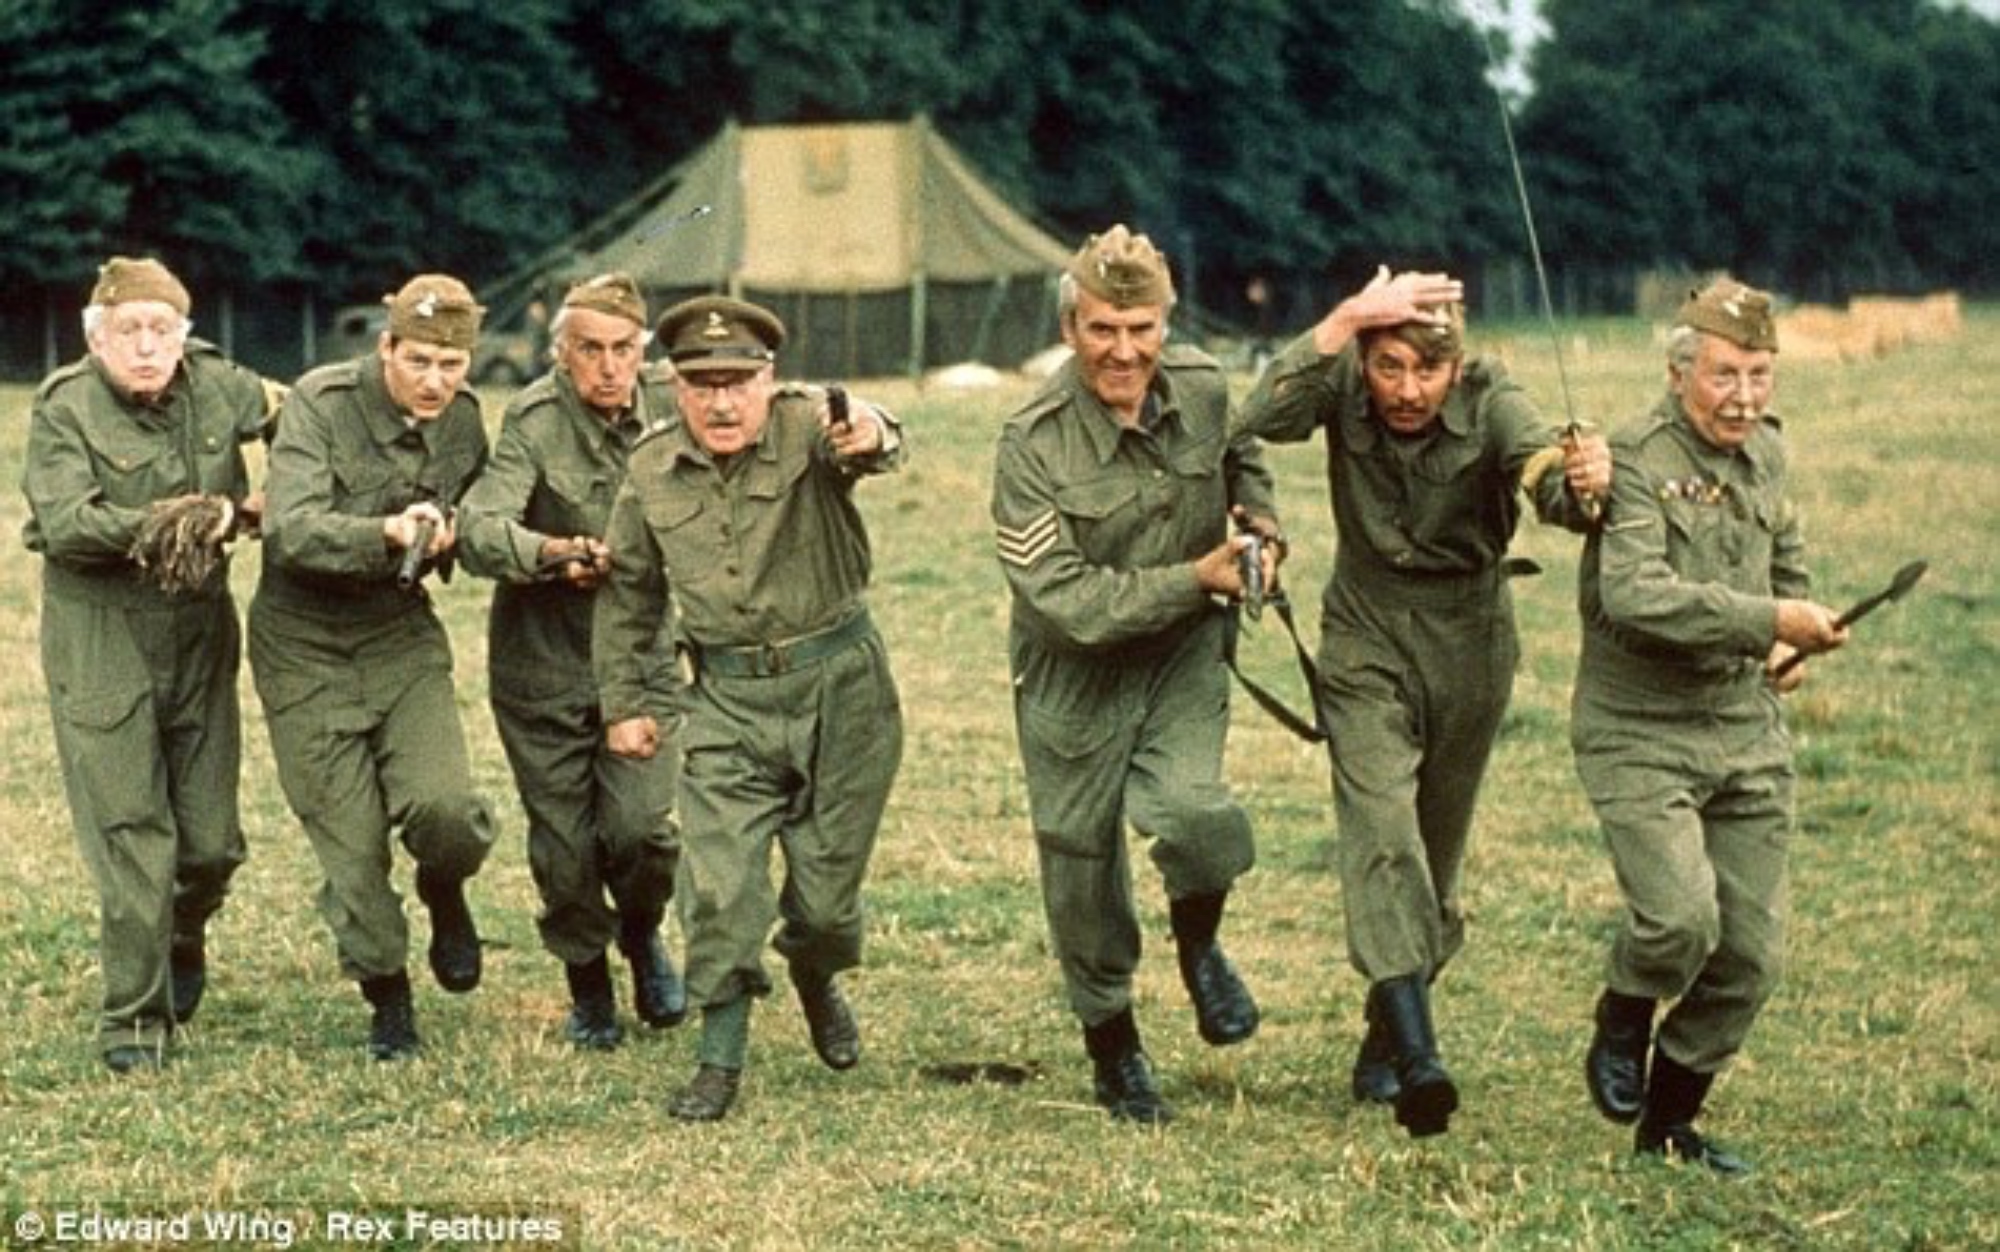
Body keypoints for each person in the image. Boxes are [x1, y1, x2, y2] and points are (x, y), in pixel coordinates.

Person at [1235, 265, 1610, 1137]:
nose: (1407, 391)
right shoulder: (1341, 381)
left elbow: (1545, 476)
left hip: (1469, 643)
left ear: (1457, 364)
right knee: (1382, 831)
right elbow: (1259, 417)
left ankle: (1385, 1031)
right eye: (1389, 366)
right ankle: (1419, 1059)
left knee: (1432, 864)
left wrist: (1583, 479)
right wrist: (1341, 321)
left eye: (1427, 370)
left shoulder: (1493, 398)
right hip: (1364, 633)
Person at [990, 225, 1282, 1126]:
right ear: (1070, 327)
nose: (1124, 351)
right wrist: (1196, 578)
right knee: (1080, 866)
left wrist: (1261, 528)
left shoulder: (1203, 386)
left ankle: (1200, 946)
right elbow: (1066, 603)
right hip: (1072, 672)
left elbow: (1243, 458)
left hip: (1181, 656)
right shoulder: (1030, 441)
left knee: (1196, 816)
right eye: (1103, 330)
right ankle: (1112, 1042)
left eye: (1142, 328)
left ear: (1167, 322)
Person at [594, 295, 905, 1121]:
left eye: (738, 382)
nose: (722, 403)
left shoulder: (810, 426)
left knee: (827, 904)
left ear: (770, 380)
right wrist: (625, 702)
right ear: (674, 387)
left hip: (843, 690)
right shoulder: (651, 469)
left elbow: (870, 439)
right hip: (726, 700)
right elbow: (629, 594)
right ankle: (719, 1056)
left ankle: (814, 969)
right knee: (720, 888)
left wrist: (872, 432)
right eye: (702, 385)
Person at [1573, 278, 1847, 1174]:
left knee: (1751, 955)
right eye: (1726, 375)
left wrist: (1791, 641)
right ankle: (1624, 1010)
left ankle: (1669, 1126)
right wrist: (1769, 622)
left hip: (1745, 729)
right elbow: (1635, 594)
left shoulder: (1769, 453)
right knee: (1679, 920)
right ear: (1678, 372)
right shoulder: (1635, 459)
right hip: (1638, 728)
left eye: (1760, 375)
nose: (1745, 397)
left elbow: (1786, 560)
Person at [22, 256, 277, 1072]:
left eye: (160, 330)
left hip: (199, 627)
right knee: (135, 835)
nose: (144, 347)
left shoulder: (219, 385)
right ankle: (133, 1020)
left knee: (211, 845)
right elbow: (69, 526)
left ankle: (182, 931)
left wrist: (300, 490)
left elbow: (308, 417)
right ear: (94, 339)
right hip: (102, 631)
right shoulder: (65, 407)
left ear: (184, 336)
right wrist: (203, 518)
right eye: (126, 330)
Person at [249, 274, 496, 1061]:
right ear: (385, 346)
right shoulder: (320, 403)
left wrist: (452, 531)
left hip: (398, 634)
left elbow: (481, 510)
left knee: (448, 810)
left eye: (451, 365)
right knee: (352, 850)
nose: (434, 382)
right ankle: (387, 992)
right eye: (418, 360)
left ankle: (444, 887)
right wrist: (386, 531)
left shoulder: (465, 423)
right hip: (303, 644)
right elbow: (290, 531)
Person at [458, 273, 686, 1051]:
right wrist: (551, 554)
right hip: (543, 663)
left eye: (624, 349)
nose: (609, 367)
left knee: (643, 830)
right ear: (561, 351)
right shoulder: (533, 419)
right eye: (589, 350)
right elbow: (479, 527)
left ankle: (643, 934)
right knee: (565, 847)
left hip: (641, 659)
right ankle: (587, 981)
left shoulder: (675, 403)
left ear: (643, 350)